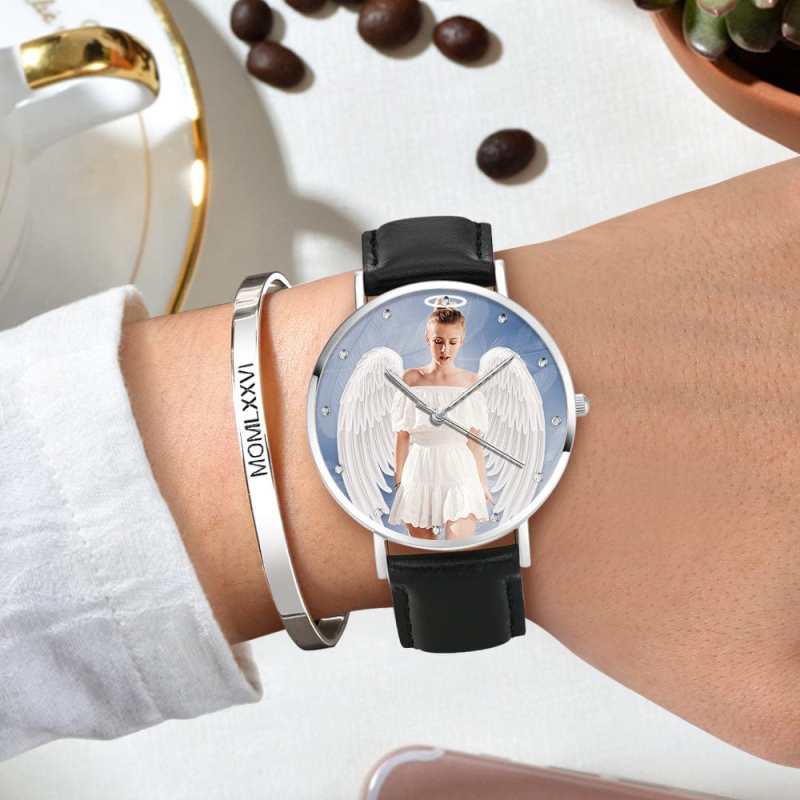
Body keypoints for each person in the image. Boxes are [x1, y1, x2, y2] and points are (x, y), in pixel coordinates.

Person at [0, 157, 798, 769]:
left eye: (451, 337)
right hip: (417, 485)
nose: (442, 346)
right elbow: (389, 431)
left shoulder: (484, 376)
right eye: (438, 337)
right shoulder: (398, 374)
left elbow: (489, 429)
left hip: (473, 482)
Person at [388, 302, 492, 540]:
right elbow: (402, 436)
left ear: (461, 341)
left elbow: (474, 441)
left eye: (452, 342)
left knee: (457, 547)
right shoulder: (411, 379)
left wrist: (482, 483)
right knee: (425, 548)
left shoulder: (471, 381)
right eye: (438, 341)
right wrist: (399, 481)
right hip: (419, 471)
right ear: (427, 339)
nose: (445, 349)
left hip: (460, 471)